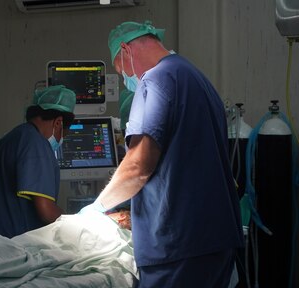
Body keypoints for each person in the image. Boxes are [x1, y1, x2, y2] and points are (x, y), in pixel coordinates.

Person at [81, 20, 244, 287]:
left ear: (125, 49)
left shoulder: (156, 80)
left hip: (179, 246)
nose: (126, 80)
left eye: (121, 71)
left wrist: (98, 207)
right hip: (215, 239)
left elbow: (137, 167)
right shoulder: (197, 79)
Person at [0, 85, 76, 238]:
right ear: (58, 123)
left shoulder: (14, 137)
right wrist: (76, 224)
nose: (61, 139)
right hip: (6, 245)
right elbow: (45, 211)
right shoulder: (37, 144)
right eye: (64, 135)